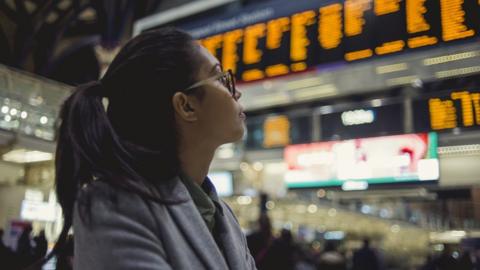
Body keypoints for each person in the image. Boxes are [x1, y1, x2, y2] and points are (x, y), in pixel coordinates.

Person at [43, 27, 255, 270]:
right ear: (186, 106)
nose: (236, 92)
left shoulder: (222, 214)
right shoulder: (112, 205)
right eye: (221, 79)